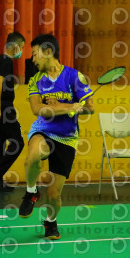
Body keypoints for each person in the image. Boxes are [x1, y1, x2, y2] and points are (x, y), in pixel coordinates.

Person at [19, 34, 94, 240]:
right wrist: (66, 107)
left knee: (54, 194)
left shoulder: (74, 77)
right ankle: (31, 191)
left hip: (67, 137)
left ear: (48, 52)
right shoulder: (35, 80)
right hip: (43, 130)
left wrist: (74, 107)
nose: (33, 59)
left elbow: (90, 108)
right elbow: (37, 109)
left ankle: (50, 221)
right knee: (33, 155)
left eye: (35, 54)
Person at [0, 31, 26, 193]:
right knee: (18, 142)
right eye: (21, 47)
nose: (21, 51)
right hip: (3, 107)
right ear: (15, 47)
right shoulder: (6, 61)